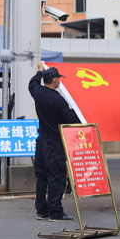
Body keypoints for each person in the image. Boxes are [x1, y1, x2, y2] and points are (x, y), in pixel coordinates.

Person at [28, 62, 80, 222]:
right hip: (54, 143)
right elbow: (71, 120)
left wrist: (39, 72)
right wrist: (82, 116)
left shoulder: (38, 93)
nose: (60, 81)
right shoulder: (58, 100)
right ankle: (55, 212)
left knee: (42, 176)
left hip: (41, 141)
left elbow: (32, 83)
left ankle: (42, 210)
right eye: (58, 78)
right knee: (57, 176)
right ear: (56, 80)